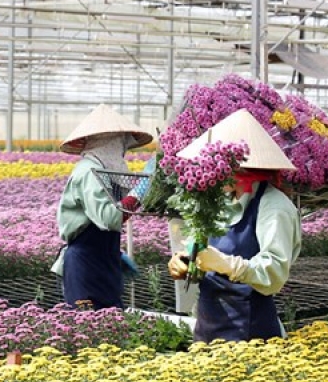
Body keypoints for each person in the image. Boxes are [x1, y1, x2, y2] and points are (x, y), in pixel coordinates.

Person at [167, 109, 301, 343]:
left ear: (242, 169)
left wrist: (228, 265)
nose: (211, 173)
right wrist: (186, 262)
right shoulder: (221, 201)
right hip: (210, 325)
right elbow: (203, 251)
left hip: (250, 331)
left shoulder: (274, 207)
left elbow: (275, 272)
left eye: (218, 167)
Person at [51, 104, 154, 310]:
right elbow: (110, 217)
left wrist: (115, 253)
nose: (123, 150)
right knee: (89, 327)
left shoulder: (102, 170)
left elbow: (113, 212)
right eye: (121, 143)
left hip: (104, 258)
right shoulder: (89, 172)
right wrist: (141, 189)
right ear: (107, 141)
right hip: (85, 265)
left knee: (113, 324)